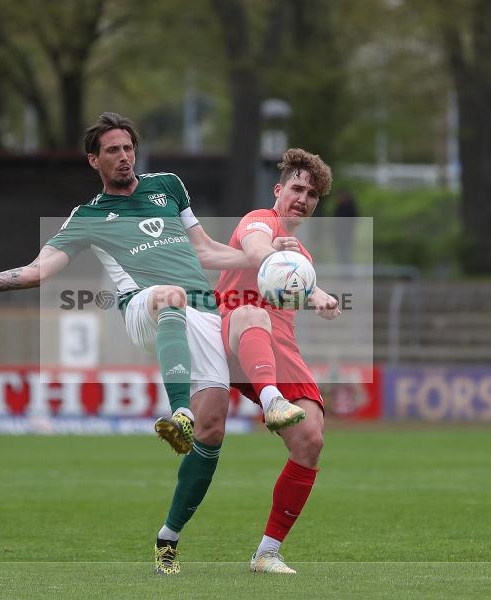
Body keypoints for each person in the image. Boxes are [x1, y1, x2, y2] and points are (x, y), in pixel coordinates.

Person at [0, 112, 304, 575]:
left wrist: (269, 260)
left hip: (202, 313)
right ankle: (179, 413)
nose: (124, 156)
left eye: (128, 147)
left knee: (213, 432)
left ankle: (168, 537)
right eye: (112, 150)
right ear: (94, 160)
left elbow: (207, 250)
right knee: (169, 299)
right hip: (142, 308)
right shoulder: (87, 216)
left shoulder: (168, 187)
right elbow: (37, 272)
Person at [215, 148, 340, 574]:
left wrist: (318, 293)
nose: (303, 198)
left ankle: (267, 553)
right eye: (297, 188)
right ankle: (267, 401)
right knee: (251, 315)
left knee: (311, 440)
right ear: (279, 190)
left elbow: (298, 283)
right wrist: (278, 256)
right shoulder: (259, 221)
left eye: (312, 194)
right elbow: (255, 251)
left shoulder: (301, 256)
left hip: (280, 348)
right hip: (236, 332)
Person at [332, 189, 358, 264]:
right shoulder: (339, 207)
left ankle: (347, 271)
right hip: (339, 236)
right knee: (341, 255)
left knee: (346, 254)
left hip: (346, 235)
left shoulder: (350, 208)